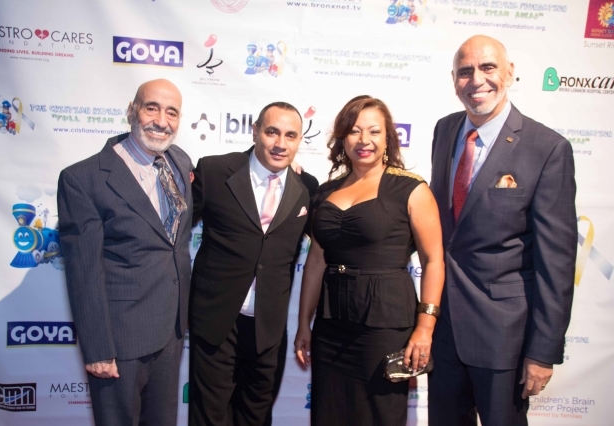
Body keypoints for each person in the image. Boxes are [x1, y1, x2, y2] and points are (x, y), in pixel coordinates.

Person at [427, 35, 577, 426]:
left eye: (488, 67)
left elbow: (556, 263)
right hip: (443, 333)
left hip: (504, 338)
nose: (476, 80)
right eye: (465, 71)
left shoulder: (547, 148)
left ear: (509, 73)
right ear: (454, 80)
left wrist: (543, 351)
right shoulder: (445, 130)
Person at [294, 95, 445, 425]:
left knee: (380, 416)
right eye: (354, 131)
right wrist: (304, 322)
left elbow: (434, 260)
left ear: (388, 138)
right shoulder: (325, 192)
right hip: (331, 326)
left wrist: (425, 327)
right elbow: (316, 261)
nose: (364, 140)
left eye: (374, 131)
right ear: (342, 138)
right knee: (328, 415)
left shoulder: (411, 190)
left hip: (385, 326)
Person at [57, 79, 192, 426]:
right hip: (120, 340)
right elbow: (84, 271)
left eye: (172, 112)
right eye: (152, 108)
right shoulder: (84, 178)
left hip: (171, 332)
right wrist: (98, 349)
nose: (161, 121)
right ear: (132, 111)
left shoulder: (178, 161)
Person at [189, 102, 319, 426]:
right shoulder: (214, 171)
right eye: (272, 132)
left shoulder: (307, 187)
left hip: (268, 329)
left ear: (299, 140)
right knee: (208, 418)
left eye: (291, 135)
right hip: (215, 322)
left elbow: (323, 250)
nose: (280, 143)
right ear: (255, 131)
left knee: (256, 417)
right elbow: (173, 231)